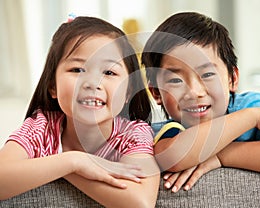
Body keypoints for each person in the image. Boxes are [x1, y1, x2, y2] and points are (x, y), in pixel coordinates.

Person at [0, 16, 160, 207]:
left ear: (128, 93)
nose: (92, 83)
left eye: (109, 72)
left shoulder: (133, 134)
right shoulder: (41, 126)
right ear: (53, 86)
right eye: (77, 69)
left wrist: (68, 170)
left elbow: (140, 202)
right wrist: (74, 161)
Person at [141, 12, 260, 193]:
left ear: (232, 79)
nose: (194, 92)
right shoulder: (165, 132)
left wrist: (222, 155)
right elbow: (172, 156)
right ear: (156, 92)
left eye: (208, 75)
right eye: (176, 81)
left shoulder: (251, 106)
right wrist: (252, 117)